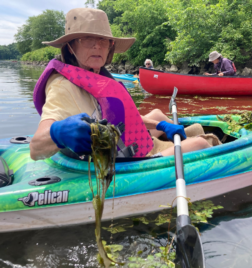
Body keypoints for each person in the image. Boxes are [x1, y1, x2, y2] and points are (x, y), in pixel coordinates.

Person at [30, 8, 213, 161]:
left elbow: (121, 119)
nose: (97, 46)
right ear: (70, 47)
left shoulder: (95, 77)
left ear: (110, 46)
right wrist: (58, 133)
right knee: (201, 143)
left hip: (121, 143)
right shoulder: (63, 86)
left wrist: (161, 126)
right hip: (118, 162)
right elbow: (36, 147)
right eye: (87, 39)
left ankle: (172, 134)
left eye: (103, 40)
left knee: (158, 114)